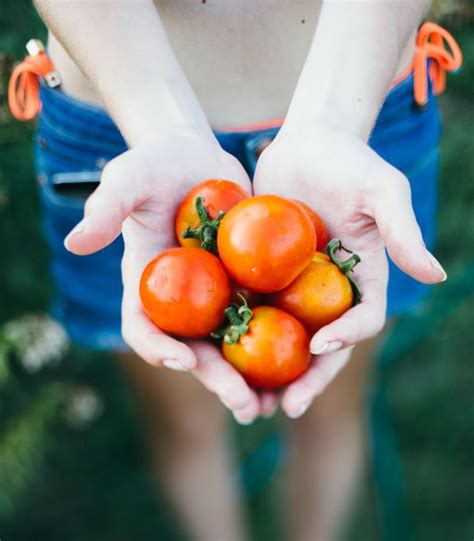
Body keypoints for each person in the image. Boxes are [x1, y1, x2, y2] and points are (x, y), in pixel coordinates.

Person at [9, 1, 461, 539]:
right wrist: (161, 129)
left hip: (361, 104)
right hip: (120, 120)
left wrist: (334, 122)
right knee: (184, 424)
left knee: (334, 406)